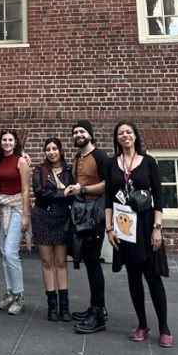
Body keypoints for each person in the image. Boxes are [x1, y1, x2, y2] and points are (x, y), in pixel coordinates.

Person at [106, 119, 173, 347]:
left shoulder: (148, 162)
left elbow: (159, 197)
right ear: (117, 138)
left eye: (129, 132)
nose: (125, 135)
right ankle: (142, 324)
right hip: (124, 227)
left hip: (146, 226)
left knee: (152, 276)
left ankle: (164, 328)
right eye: (121, 133)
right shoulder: (112, 164)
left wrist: (157, 228)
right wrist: (109, 228)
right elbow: (108, 199)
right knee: (133, 277)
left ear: (135, 136)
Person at [64, 119, 110, 335]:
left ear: (90, 134)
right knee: (89, 262)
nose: (78, 135)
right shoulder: (77, 158)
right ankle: (96, 306)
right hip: (81, 215)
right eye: (75, 132)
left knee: (93, 264)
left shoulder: (99, 156)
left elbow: (107, 184)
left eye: (82, 131)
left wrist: (82, 189)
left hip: (96, 216)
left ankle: (98, 314)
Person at [32, 137, 73, 321]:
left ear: (60, 150)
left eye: (54, 148)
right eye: (48, 149)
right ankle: (52, 306)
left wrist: (64, 193)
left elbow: (73, 194)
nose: (51, 152)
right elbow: (39, 191)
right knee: (47, 262)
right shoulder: (40, 170)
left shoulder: (68, 170)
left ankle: (64, 307)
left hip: (62, 218)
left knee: (61, 262)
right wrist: (62, 192)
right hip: (43, 217)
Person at [0, 130, 31, 315]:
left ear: (15, 143)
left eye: (10, 140)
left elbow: (25, 189)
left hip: (16, 208)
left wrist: (26, 214)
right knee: (3, 253)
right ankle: (10, 292)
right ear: (0, 143)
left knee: (11, 252)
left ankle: (19, 295)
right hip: (0, 208)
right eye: (4, 140)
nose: (7, 143)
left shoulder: (21, 161)